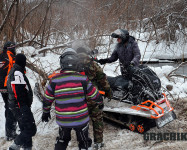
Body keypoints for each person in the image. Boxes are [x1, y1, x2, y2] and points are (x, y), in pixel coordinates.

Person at [41, 48, 103, 150]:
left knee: (62, 140)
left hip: (63, 119)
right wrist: (100, 101)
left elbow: (47, 99)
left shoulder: (54, 80)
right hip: (80, 119)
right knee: (84, 141)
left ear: (62, 63)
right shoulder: (83, 79)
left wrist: (45, 112)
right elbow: (94, 94)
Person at [75, 46, 112, 150]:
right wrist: (108, 91)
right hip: (93, 96)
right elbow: (102, 79)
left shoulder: (72, 65)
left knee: (82, 121)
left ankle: (83, 143)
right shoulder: (93, 64)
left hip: (78, 98)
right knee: (97, 119)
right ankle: (98, 143)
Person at [7, 53, 37, 150]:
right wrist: (24, 108)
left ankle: (27, 148)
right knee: (31, 129)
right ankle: (14, 146)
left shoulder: (16, 71)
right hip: (20, 106)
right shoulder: (17, 72)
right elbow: (18, 91)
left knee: (25, 128)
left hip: (18, 105)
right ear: (22, 62)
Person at [0, 41, 17, 141]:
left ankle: (9, 130)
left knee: (8, 106)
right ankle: (11, 133)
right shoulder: (11, 57)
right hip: (9, 86)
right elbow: (19, 70)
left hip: (1, 87)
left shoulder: (0, 56)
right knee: (11, 107)